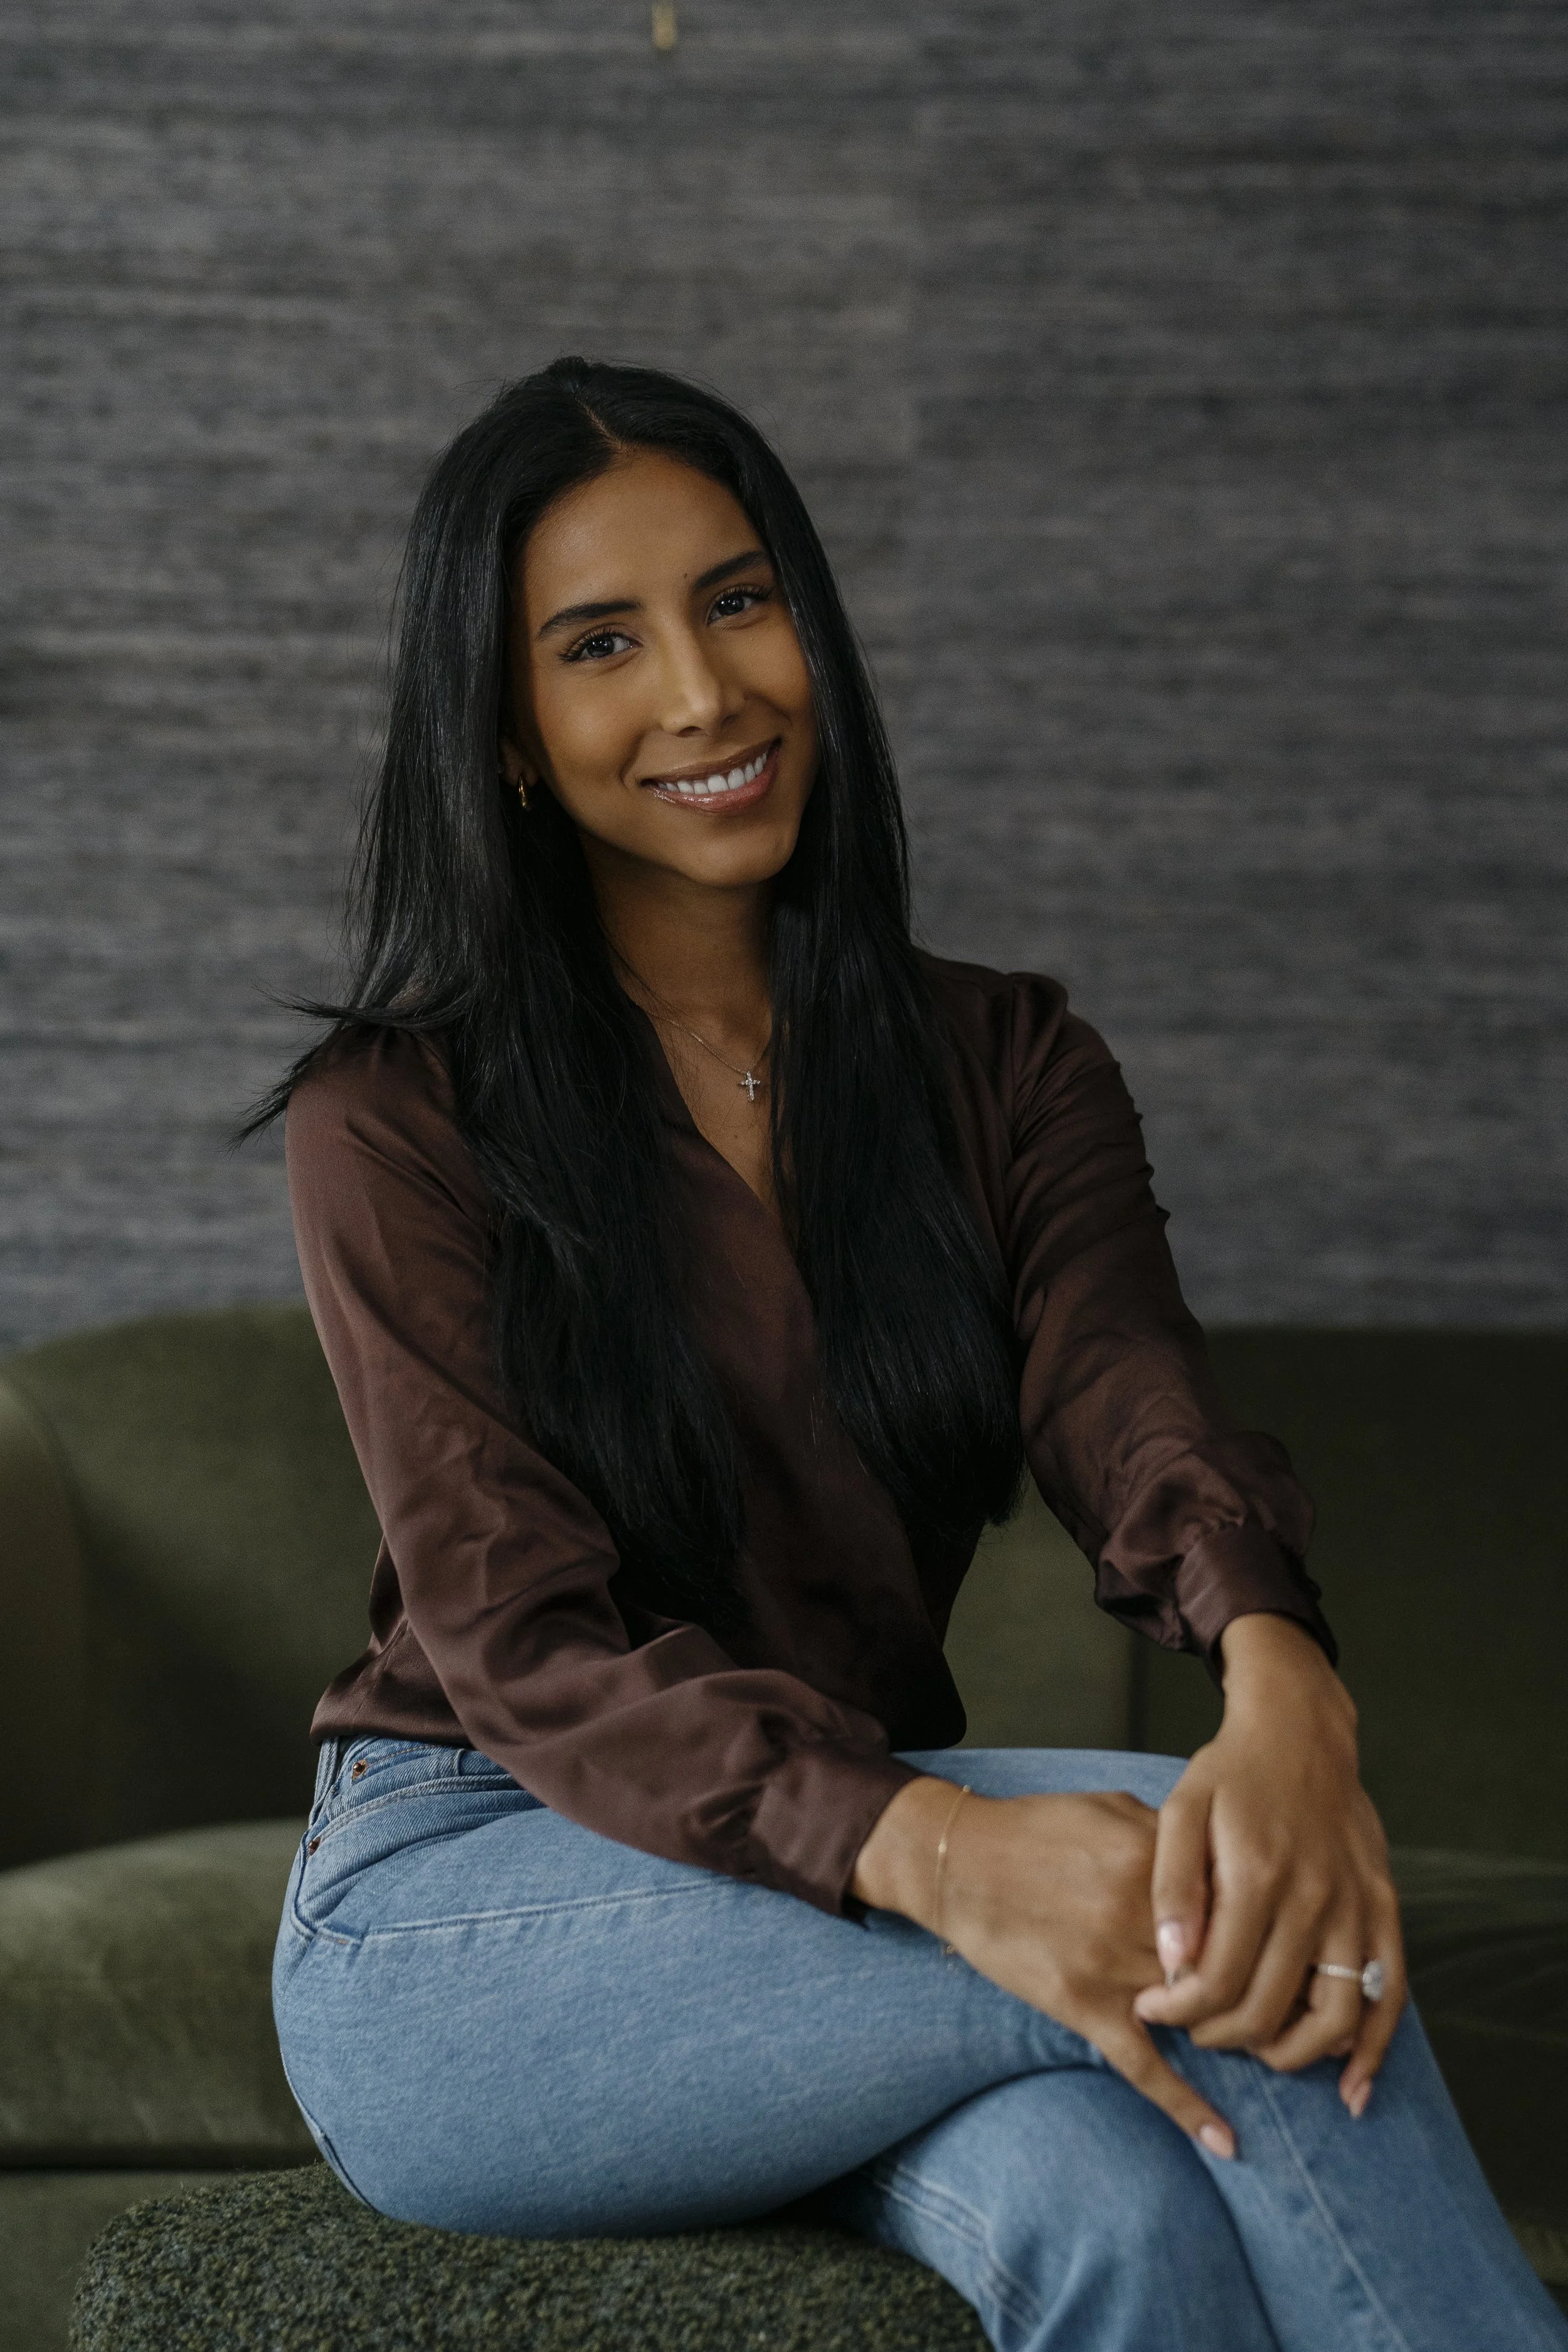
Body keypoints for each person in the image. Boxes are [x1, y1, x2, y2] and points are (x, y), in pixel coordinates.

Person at [265, 357, 1565, 2351]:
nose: (703, 695)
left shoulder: (1006, 1062)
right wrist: (935, 1843)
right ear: (509, 738)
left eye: (741, 597)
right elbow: (520, 1639)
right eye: (600, 644)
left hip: (834, 1903)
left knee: (1134, 2202)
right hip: (469, 1916)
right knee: (1230, 1933)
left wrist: (1284, 1687)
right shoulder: (399, 1118)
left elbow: (1132, 1405)